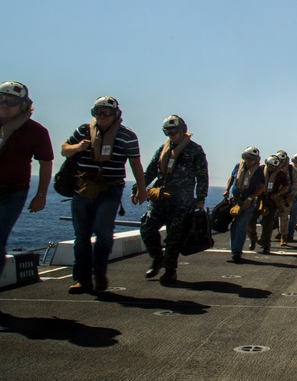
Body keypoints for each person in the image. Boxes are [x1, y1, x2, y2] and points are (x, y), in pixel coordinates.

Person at [61, 96, 146, 293]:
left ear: (115, 114)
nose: (102, 116)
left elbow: (135, 163)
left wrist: (142, 189)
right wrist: (77, 147)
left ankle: (99, 274)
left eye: (107, 112)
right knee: (81, 236)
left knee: (104, 232)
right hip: (83, 189)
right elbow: (64, 150)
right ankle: (82, 279)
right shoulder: (83, 131)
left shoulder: (127, 136)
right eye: (98, 112)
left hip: (110, 190)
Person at [137, 115, 209, 284]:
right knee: (147, 228)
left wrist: (200, 198)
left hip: (182, 201)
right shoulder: (163, 149)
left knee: (174, 236)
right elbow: (150, 171)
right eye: (167, 132)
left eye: (173, 132)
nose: (171, 135)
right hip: (161, 197)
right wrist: (138, 189)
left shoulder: (195, 150)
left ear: (182, 130)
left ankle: (170, 271)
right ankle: (157, 258)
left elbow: (202, 176)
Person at [0, 81, 53, 282]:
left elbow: (45, 163)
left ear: (23, 104)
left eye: (11, 101)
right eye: (1, 99)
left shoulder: (36, 131)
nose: (4, 104)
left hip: (12, 193)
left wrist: (41, 195)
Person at [222, 146, 265, 263]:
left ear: (256, 159)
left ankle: (237, 251)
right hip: (235, 201)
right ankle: (234, 250)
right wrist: (227, 189)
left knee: (241, 225)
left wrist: (250, 198)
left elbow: (262, 186)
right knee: (234, 226)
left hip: (247, 203)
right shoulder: (238, 166)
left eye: (251, 158)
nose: (248, 161)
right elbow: (232, 178)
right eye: (246, 157)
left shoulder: (259, 171)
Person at [250, 154, 288, 253]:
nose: (271, 168)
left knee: (268, 224)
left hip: (271, 201)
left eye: (273, 166)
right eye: (270, 165)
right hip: (259, 198)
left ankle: (266, 245)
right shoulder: (260, 170)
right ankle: (253, 238)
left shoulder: (281, 174)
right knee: (250, 220)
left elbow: (286, 186)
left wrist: (277, 194)